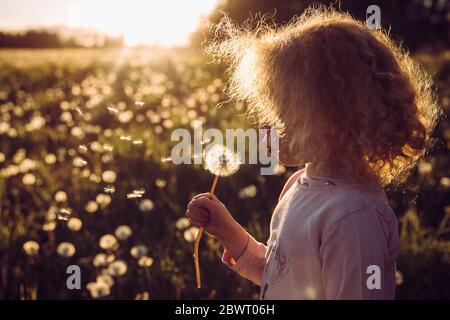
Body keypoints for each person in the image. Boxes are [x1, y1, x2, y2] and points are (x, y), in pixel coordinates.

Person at [186, 7, 439, 299]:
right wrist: (227, 230)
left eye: (282, 113)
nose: (265, 126)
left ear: (334, 117)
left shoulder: (354, 217)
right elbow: (280, 275)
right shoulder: (298, 185)